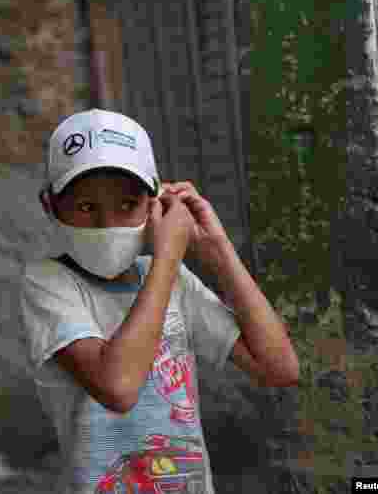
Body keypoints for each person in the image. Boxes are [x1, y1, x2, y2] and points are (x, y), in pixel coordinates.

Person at [20, 108, 299, 493]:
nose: (108, 224)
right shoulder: (50, 284)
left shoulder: (170, 279)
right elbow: (118, 387)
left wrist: (217, 251)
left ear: (155, 205)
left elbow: (278, 367)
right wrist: (168, 257)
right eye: (86, 207)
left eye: (127, 205)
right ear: (50, 206)